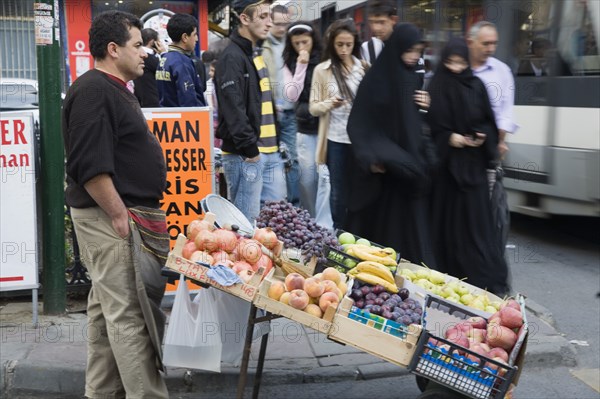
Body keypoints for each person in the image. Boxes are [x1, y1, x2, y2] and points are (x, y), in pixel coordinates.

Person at [62, 10, 169, 398]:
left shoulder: (112, 87)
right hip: (110, 217)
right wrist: (119, 215)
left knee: (108, 313)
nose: (145, 53)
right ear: (113, 49)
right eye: (138, 45)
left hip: (117, 215)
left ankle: (101, 393)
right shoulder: (94, 90)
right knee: (128, 315)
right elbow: (90, 166)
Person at [345, 23, 437, 266]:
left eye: (418, 50)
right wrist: (373, 156)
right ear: (398, 48)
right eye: (411, 50)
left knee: (410, 240)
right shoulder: (375, 79)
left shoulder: (410, 78)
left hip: (406, 176)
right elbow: (359, 123)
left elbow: (411, 124)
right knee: (378, 236)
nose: (415, 56)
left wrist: (426, 108)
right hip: (382, 174)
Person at [427, 37, 510, 296]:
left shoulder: (477, 85)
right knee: (445, 228)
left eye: (460, 63)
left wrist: (483, 136)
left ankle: (481, 282)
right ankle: (446, 278)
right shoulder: (436, 86)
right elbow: (429, 128)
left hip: (471, 170)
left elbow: (487, 121)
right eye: (450, 62)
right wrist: (449, 138)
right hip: (445, 173)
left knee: (476, 228)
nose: (455, 68)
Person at [215, 0, 287, 223]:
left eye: (270, 16)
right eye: (263, 16)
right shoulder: (232, 57)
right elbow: (233, 108)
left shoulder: (253, 54)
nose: (269, 22)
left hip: (267, 150)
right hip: (246, 154)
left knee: (271, 222)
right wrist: (250, 151)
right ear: (244, 19)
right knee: (244, 224)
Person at [310, 19, 367, 230]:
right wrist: (329, 103)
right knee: (337, 191)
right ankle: (339, 231)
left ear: (355, 44)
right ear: (332, 44)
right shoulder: (322, 70)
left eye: (348, 45)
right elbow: (313, 108)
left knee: (360, 188)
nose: (344, 49)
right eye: (339, 44)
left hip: (360, 139)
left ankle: (358, 231)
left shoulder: (364, 68)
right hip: (335, 139)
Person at [282, 21, 333, 228]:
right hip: (305, 127)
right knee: (307, 179)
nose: (302, 46)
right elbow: (292, 94)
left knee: (325, 179)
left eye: (305, 41)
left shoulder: (326, 58)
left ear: (314, 40)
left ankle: (324, 225)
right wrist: (301, 66)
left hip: (327, 125)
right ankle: (310, 221)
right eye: (297, 43)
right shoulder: (289, 62)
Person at [262, 4, 300, 206]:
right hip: (269, 113)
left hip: (291, 111)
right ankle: (272, 205)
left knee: (293, 159)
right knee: (270, 159)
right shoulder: (262, 44)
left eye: (285, 24)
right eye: (277, 24)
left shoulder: (294, 42)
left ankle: (293, 204)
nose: (281, 28)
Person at [467, 21, 517, 158]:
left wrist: (500, 141)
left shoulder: (502, 71)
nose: (491, 49)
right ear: (470, 42)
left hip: (489, 144)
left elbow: (505, 111)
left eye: (494, 43)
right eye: (486, 44)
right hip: (460, 144)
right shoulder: (459, 68)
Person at [156, 13, 206, 107]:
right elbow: (189, 102)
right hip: (183, 119)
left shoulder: (165, 59)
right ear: (185, 37)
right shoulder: (182, 62)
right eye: (195, 34)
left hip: (169, 117)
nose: (197, 39)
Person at [133, 28, 165, 107]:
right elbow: (165, 69)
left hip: (139, 100)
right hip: (153, 101)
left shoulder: (135, 55)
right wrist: (163, 53)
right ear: (153, 42)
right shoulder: (150, 58)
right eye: (158, 41)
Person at [360, 0, 397, 64]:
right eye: (372, 22)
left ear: (393, 20)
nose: (375, 28)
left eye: (381, 22)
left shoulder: (407, 44)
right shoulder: (366, 48)